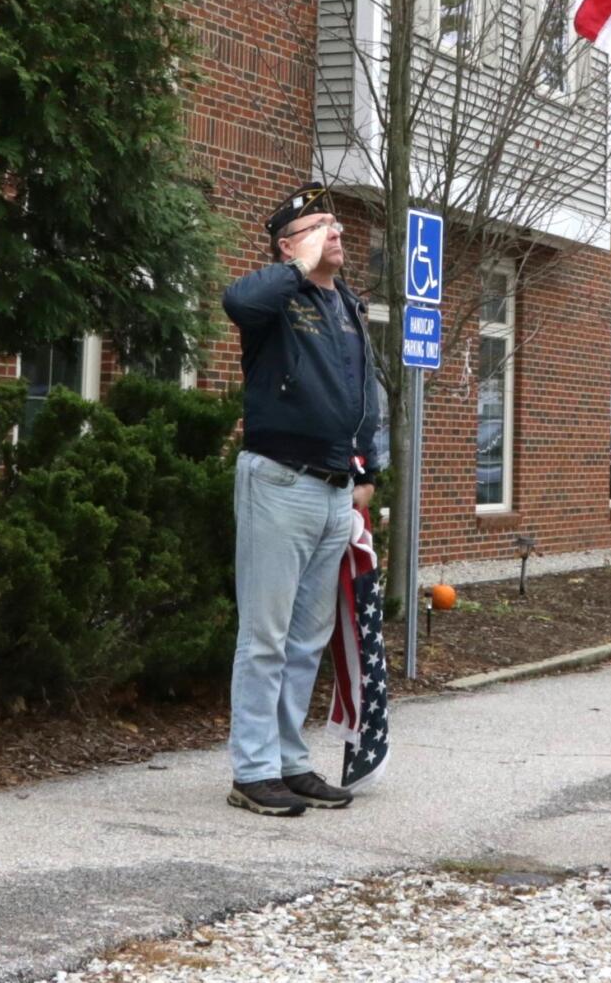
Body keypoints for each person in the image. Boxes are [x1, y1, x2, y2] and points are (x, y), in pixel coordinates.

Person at [218, 184, 386, 819]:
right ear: (289, 244)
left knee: (306, 639)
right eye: (321, 226)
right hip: (279, 483)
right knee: (265, 637)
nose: (337, 232)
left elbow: (364, 391)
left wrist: (367, 466)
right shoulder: (275, 299)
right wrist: (295, 265)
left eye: (337, 224)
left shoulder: (346, 305)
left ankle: (289, 760)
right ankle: (253, 769)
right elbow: (236, 301)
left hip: (334, 490)